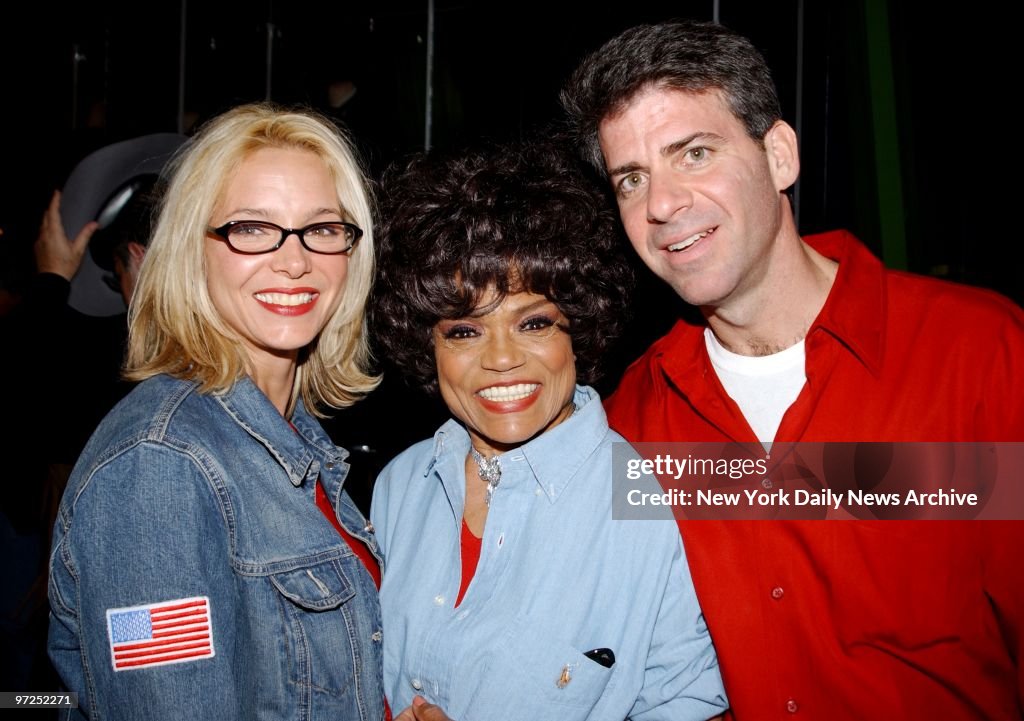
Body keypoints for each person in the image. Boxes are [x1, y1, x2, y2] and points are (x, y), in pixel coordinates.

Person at [561, 19, 1024, 721]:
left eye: (693, 153)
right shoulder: (635, 421)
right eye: (632, 179)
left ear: (778, 155)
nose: (660, 205)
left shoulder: (977, 353)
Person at [47, 103, 386, 721]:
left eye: (322, 228)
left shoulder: (292, 440)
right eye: (251, 228)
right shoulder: (160, 469)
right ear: (190, 249)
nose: (294, 259)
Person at [370, 141, 727, 721]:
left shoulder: (651, 502)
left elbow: (686, 704)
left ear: (577, 331)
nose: (502, 359)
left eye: (534, 322)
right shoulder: (400, 485)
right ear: (426, 345)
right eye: (464, 331)